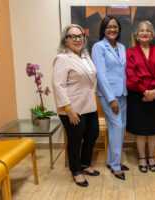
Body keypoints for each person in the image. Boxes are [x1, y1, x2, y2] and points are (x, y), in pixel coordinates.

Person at [52, 24, 100, 187]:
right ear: (66, 41)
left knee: (92, 135)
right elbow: (58, 85)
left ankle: (85, 165)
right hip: (72, 108)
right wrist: (68, 109)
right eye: (73, 36)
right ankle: (76, 170)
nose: (78, 39)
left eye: (80, 36)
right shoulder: (62, 59)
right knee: (75, 140)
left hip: (89, 105)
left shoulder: (85, 56)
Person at [126, 21, 155, 173]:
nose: (144, 33)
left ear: (152, 34)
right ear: (136, 35)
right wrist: (144, 91)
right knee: (141, 130)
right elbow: (131, 75)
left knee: (153, 129)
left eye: (147, 30)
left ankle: (151, 156)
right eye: (141, 30)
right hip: (138, 95)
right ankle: (142, 157)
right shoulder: (130, 52)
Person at [91, 16, 128, 180]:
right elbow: (100, 74)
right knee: (116, 127)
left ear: (119, 29)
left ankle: (114, 160)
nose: (112, 29)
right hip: (109, 96)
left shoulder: (122, 47)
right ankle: (115, 166)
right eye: (109, 26)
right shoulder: (98, 47)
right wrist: (111, 99)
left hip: (123, 93)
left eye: (115, 26)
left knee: (119, 129)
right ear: (103, 29)